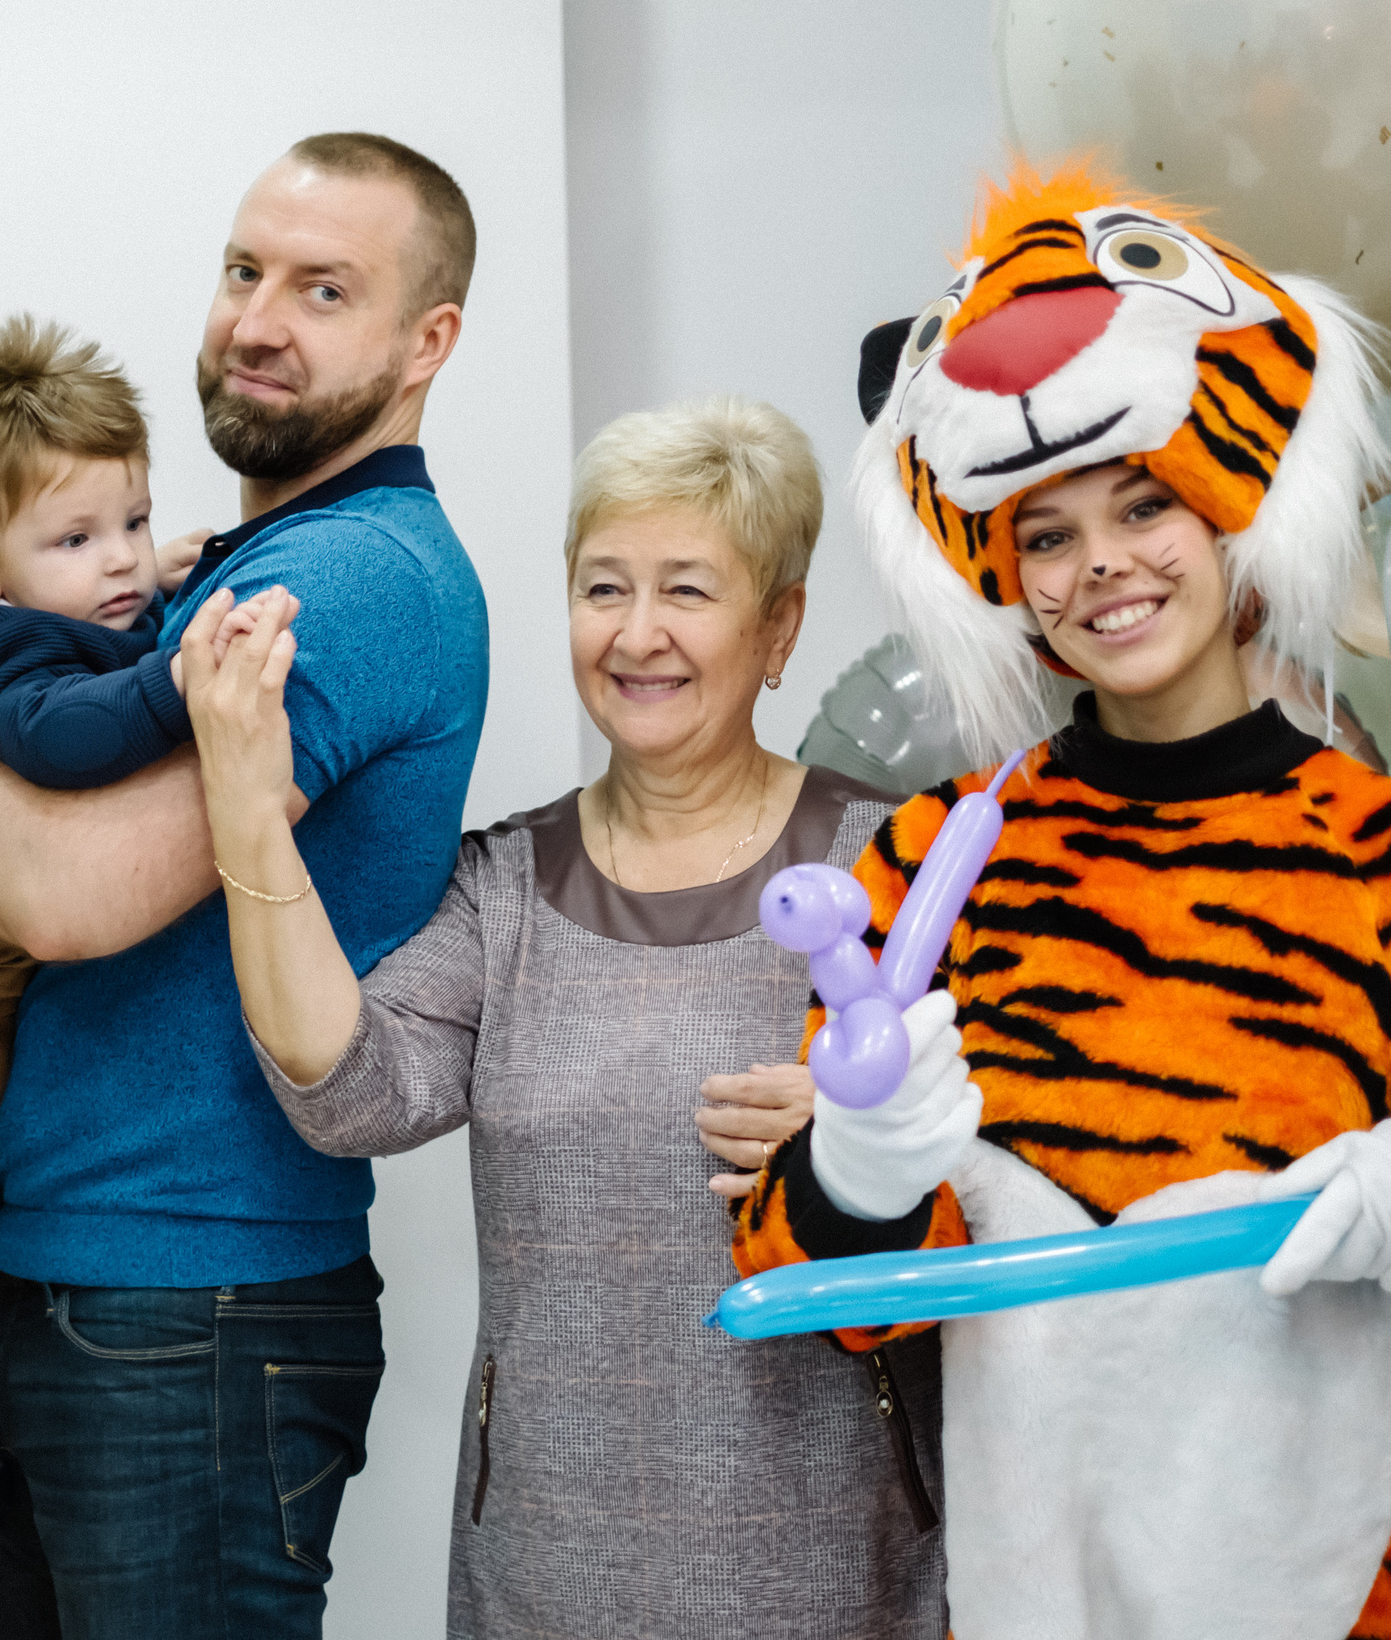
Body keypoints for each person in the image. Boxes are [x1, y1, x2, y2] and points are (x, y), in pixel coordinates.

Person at [729, 164, 1391, 1639]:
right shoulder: (934, 867)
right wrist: (855, 1168)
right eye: (1047, 532)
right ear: (1006, 569)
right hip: (1046, 1590)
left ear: (1229, 506)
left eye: (1145, 503)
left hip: (1358, 1591)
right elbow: (839, 1302)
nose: (1103, 562)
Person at [0, 132, 487, 1639]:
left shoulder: (349, 578)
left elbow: (66, 890)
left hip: (191, 1307)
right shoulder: (209, 569)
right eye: (244, 269)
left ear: (424, 342)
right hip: (91, 1283)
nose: (258, 316)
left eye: (325, 288)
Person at [175, 396, 945, 1637]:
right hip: (548, 1561)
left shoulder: (895, 864)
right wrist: (248, 811)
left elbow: (1033, 1141)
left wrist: (885, 1122)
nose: (638, 635)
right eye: (604, 588)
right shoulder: (504, 886)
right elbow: (343, 1087)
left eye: (689, 590)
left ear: (779, 626)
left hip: (830, 1557)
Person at [0, 313, 270, 1513]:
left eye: (134, 524)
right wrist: (183, 663)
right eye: (79, 538)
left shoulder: (27, 595)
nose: (121, 564)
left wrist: (170, 574)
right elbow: (70, 735)